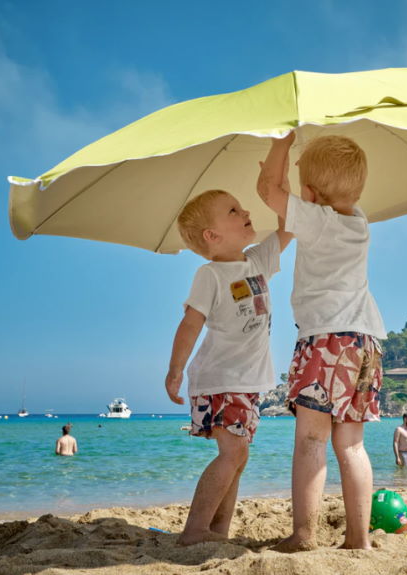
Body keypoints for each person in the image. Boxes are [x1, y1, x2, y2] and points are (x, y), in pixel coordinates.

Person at [257, 132, 387, 552]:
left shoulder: (317, 219)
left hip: (326, 341)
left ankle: (303, 534)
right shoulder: (359, 222)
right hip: (366, 341)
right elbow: (288, 199)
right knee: (351, 444)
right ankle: (358, 540)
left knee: (311, 439)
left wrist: (281, 145)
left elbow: (268, 191)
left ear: (310, 195)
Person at [165, 189, 291, 546]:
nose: (246, 211)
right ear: (212, 236)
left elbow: (289, 227)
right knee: (232, 453)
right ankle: (194, 531)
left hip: (247, 382)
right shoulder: (210, 275)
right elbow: (190, 323)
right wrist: (175, 370)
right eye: (233, 211)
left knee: (239, 456)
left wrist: (282, 187)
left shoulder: (258, 261)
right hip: (220, 378)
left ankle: (216, 532)